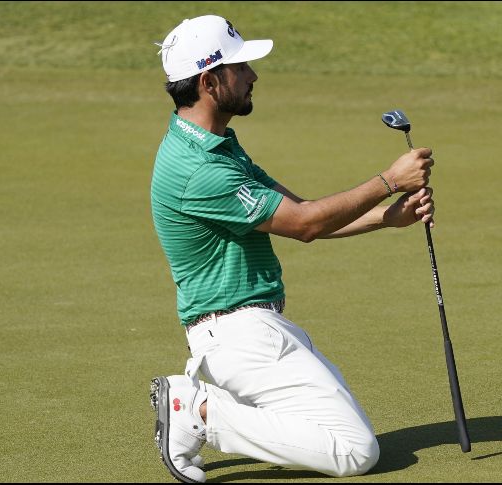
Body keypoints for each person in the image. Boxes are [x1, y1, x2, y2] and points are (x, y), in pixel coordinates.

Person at [149, 15, 436, 483]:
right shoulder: (199, 168)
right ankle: (196, 407)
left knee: (340, 433)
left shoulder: (215, 144)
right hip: (239, 337)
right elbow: (305, 225)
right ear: (209, 81)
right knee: (354, 450)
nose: (253, 75)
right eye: (240, 67)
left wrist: (387, 217)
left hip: (247, 331)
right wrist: (389, 181)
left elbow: (303, 212)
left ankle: (201, 411)